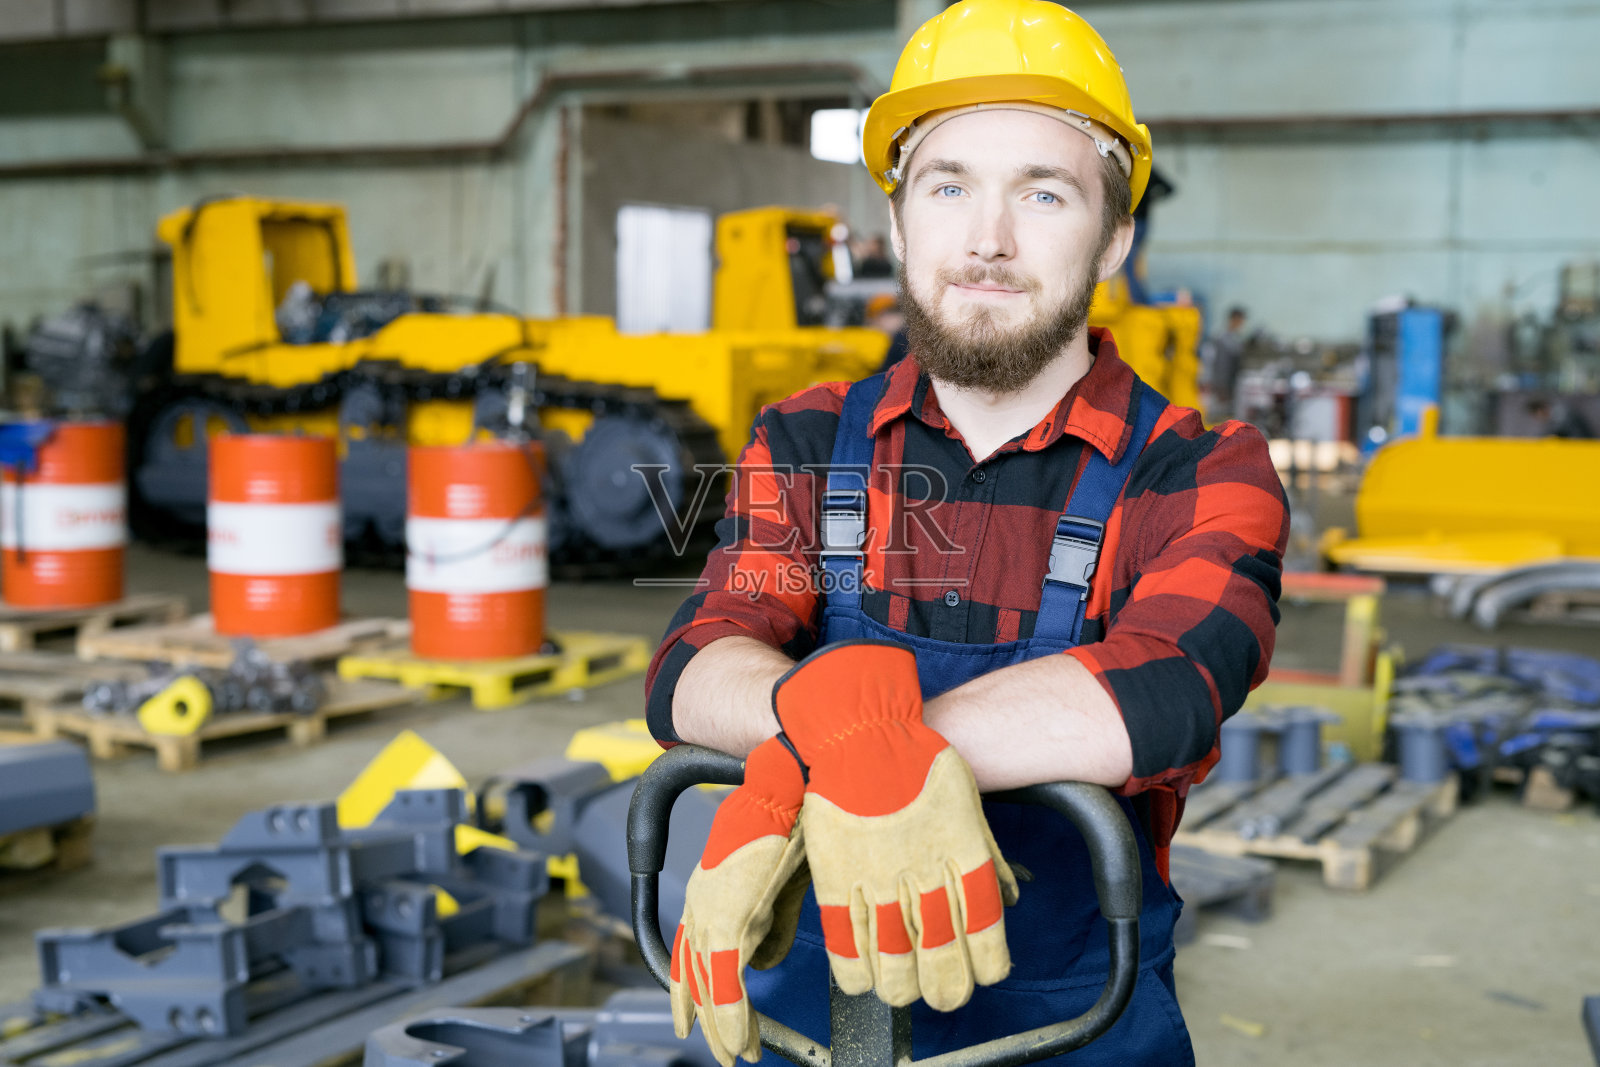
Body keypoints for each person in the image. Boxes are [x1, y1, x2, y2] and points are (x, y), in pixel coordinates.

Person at [646, 2, 1288, 1064]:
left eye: (1044, 192)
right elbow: (692, 659)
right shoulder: (804, 440)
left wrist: (828, 754)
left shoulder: (1199, 467)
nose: (987, 240)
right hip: (810, 1025)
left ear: (1116, 235)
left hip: (1078, 1028)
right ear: (898, 224)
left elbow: (1167, 686)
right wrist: (846, 733)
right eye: (947, 186)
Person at [1205, 305, 1249, 421]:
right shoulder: (1223, 340)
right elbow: (1221, 365)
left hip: (1231, 386)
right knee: (1220, 419)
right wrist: (1221, 387)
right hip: (1223, 388)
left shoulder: (1236, 339)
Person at [864, 292, 910, 371]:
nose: (897, 317)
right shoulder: (869, 341)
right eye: (890, 312)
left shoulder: (903, 337)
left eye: (897, 311)